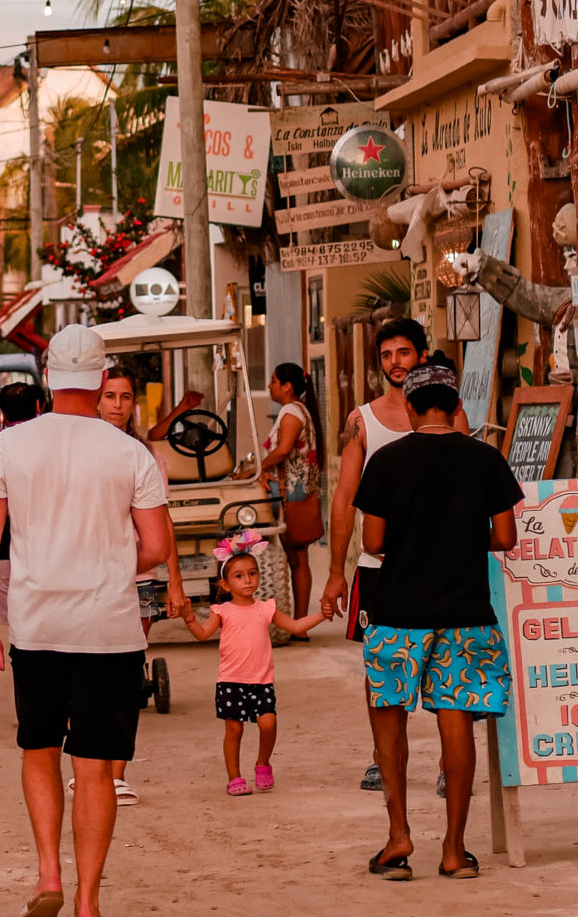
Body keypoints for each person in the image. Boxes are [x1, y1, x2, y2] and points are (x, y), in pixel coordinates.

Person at [0, 323, 173, 917]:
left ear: (48, 377)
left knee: (39, 749)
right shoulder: (130, 452)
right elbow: (158, 547)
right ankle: (88, 904)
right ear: (102, 378)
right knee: (94, 767)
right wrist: (110, 563)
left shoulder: (9, 447)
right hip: (109, 628)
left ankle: (46, 876)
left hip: (37, 625)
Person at [355, 360, 520, 879]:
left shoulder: (386, 460)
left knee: (389, 727)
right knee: (457, 727)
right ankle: (454, 850)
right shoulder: (484, 459)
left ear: (410, 407)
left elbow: (373, 543)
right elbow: (506, 537)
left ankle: (398, 837)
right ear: (457, 408)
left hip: (399, 614)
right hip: (467, 612)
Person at [319, 317, 469, 788]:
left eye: (403, 352)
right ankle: (383, 759)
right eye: (386, 355)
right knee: (381, 672)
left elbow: (466, 486)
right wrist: (336, 572)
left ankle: (450, 765)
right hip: (378, 568)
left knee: (449, 671)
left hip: (443, 568)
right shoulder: (360, 420)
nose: (394, 363)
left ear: (422, 355)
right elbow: (344, 500)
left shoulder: (451, 414)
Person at [97, 365, 187, 804]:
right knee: (88, 677)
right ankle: (90, 768)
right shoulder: (81, 450)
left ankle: (116, 773)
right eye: (110, 396)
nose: (117, 404)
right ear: (96, 399)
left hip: (139, 578)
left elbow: (162, 520)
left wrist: (175, 581)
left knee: (127, 677)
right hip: (87, 579)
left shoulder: (147, 457)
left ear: (135, 404)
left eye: (124, 397)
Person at [180, 534, 330, 791]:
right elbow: (203, 634)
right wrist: (188, 617)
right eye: (239, 576)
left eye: (252, 573)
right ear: (225, 584)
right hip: (231, 681)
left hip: (261, 682)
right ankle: (234, 778)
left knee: (268, 724)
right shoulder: (222, 612)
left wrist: (321, 615)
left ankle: (263, 762)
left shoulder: (266, 608)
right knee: (234, 731)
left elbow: (294, 625)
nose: (247, 580)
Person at [264, 362, 324, 621]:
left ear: (287, 386)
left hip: (291, 495)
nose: (269, 386)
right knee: (297, 559)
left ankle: (299, 622)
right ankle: (298, 621)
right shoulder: (299, 410)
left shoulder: (291, 411)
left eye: (273, 381)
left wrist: (254, 471)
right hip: (295, 491)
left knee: (297, 559)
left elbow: (282, 450)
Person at [0, 379, 44, 631]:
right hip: (51, 549)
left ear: (2, 412)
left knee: (17, 626)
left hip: (7, 551)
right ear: (38, 407)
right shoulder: (54, 444)